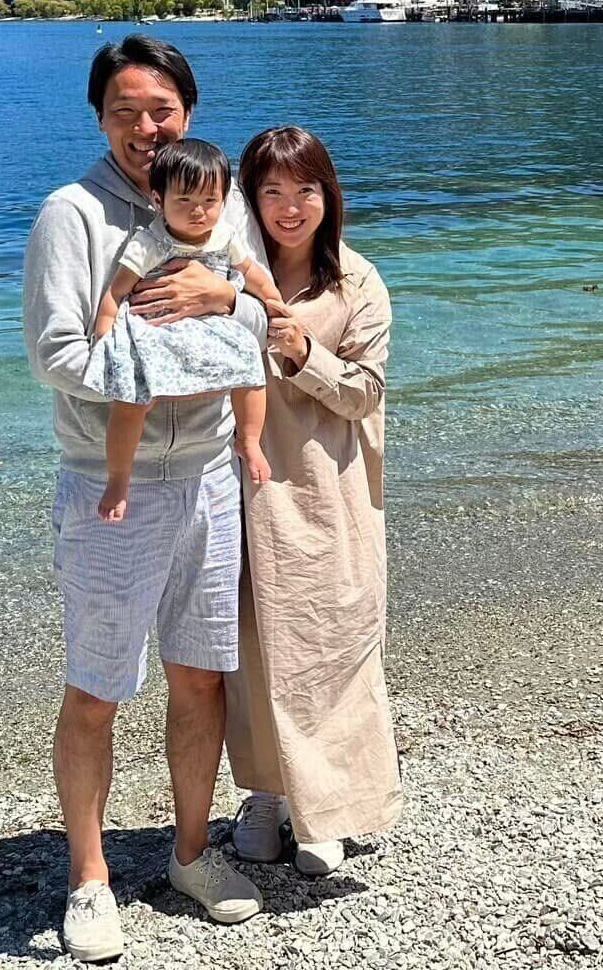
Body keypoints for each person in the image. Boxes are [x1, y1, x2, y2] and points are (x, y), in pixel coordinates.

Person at [21, 37, 271, 962]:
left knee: (201, 676)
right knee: (96, 689)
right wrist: (161, 370)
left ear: (188, 113)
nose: (145, 128)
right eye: (125, 111)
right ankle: (89, 879)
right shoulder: (72, 214)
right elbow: (56, 353)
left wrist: (223, 305)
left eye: (161, 109)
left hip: (208, 475)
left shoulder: (220, 200)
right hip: (108, 482)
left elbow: (259, 316)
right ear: (99, 119)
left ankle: (192, 854)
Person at [224, 126, 401, 878]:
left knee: (332, 642)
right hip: (243, 488)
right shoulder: (228, 273)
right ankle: (265, 794)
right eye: (271, 192)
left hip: (330, 492)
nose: (289, 207)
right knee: (252, 647)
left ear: (329, 196)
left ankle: (328, 805)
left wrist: (304, 356)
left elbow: (366, 394)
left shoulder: (356, 283)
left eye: (305, 190)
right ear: (249, 200)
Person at [85, 137, 280, 521]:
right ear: (158, 201)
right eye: (184, 201)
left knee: (250, 364)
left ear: (223, 199)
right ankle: (119, 478)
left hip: (212, 324)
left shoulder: (224, 235)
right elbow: (116, 291)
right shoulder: (151, 241)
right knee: (132, 396)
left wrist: (275, 302)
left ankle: (249, 440)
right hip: (158, 327)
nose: (198, 211)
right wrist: (104, 334)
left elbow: (254, 275)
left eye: (210, 201)